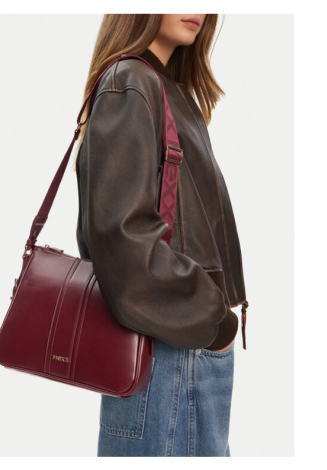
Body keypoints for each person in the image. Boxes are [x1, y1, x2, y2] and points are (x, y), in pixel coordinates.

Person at [73, 14, 249, 457]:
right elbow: (124, 243)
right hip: (170, 354)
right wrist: (217, 323)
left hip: (182, 349)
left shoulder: (164, 88)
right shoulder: (132, 83)